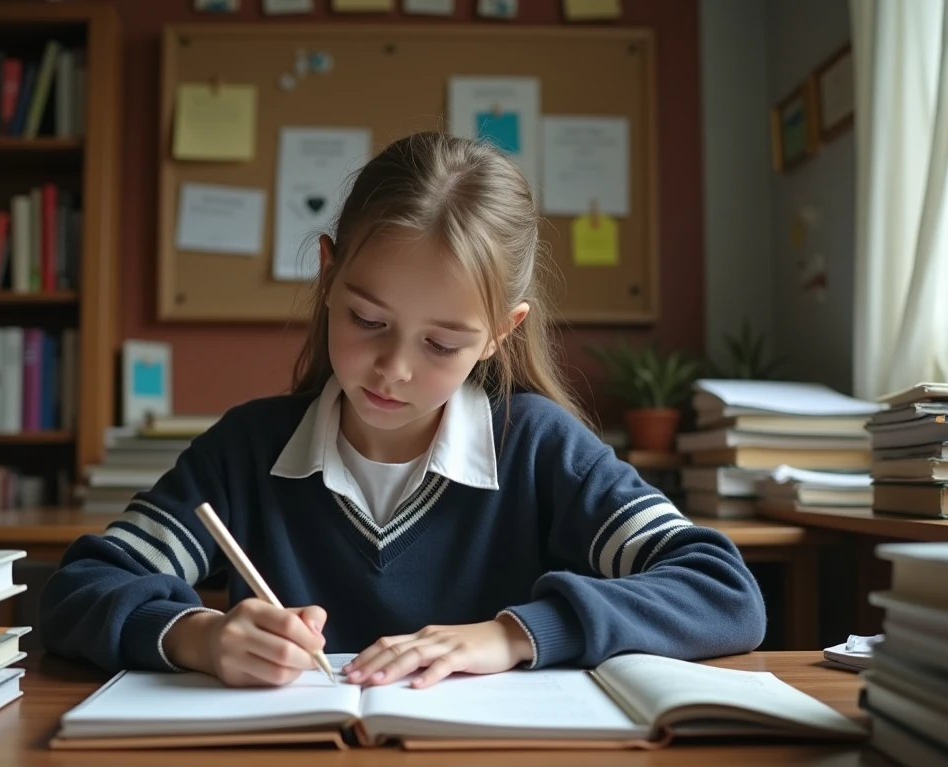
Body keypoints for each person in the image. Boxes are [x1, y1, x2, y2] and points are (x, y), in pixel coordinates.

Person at [39, 131, 765, 689]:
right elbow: (78, 589)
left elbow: (723, 592)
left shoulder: (539, 448)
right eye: (368, 320)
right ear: (328, 276)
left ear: (499, 334)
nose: (395, 369)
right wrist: (195, 636)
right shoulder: (247, 450)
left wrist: (514, 635)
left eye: (442, 344)